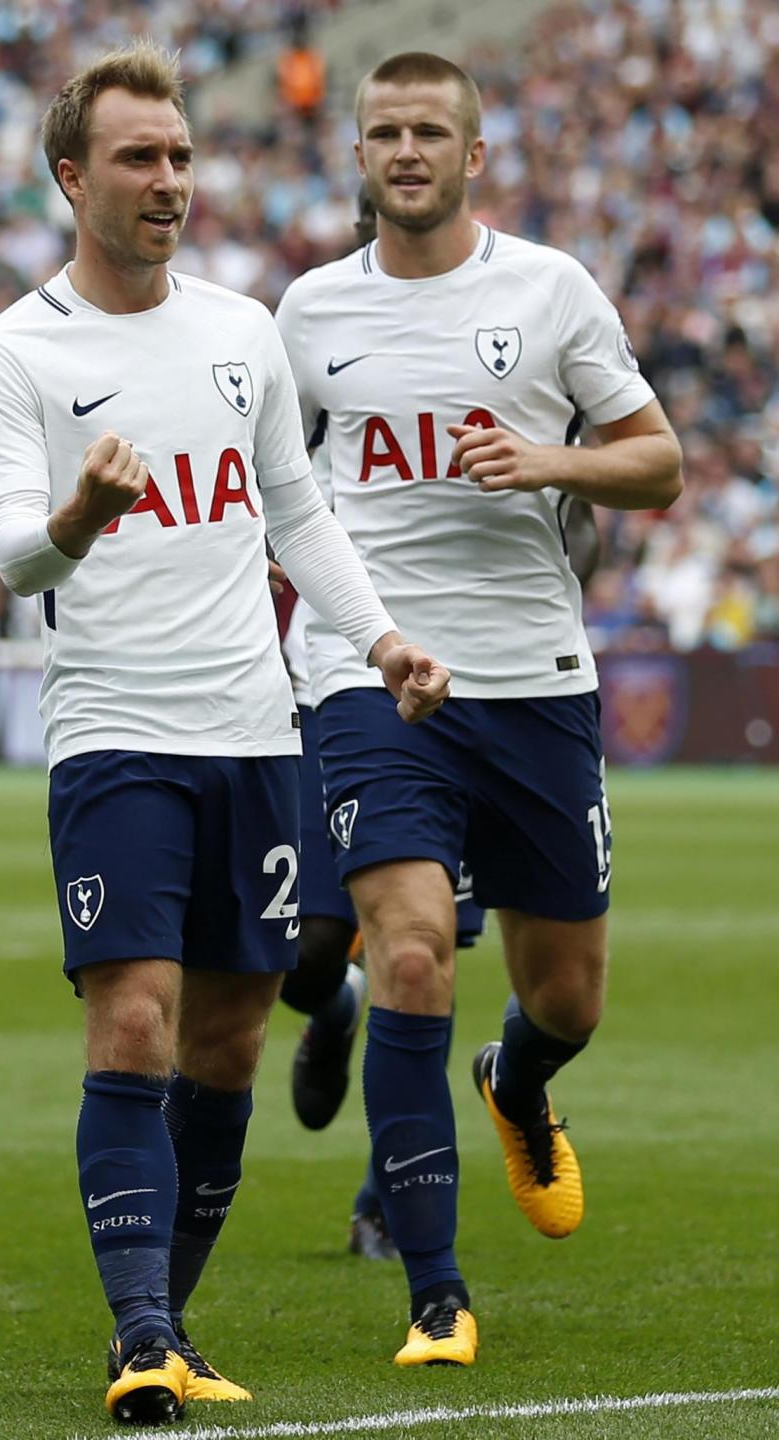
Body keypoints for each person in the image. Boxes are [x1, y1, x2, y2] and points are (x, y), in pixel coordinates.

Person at [0, 40, 450, 1427]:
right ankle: (139, 1338)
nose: (169, 177)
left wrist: (382, 635)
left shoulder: (242, 333)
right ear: (72, 175)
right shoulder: (12, 354)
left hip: (258, 730)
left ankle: (169, 1323)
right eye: (138, 156)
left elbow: (298, 515)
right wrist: (78, 518)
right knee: (133, 1028)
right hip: (114, 735)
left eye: (178, 155)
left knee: (228, 1045)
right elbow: (12, 557)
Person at [275, 50, 682, 1368]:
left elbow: (659, 462)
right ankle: (435, 1295)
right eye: (383, 132)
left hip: (536, 684)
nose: (405, 151)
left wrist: (547, 458)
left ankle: (515, 1085)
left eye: (429, 131)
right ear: (360, 155)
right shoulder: (308, 313)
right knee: (405, 955)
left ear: (475, 153)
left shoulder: (550, 289)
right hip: (375, 676)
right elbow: (281, 501)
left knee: (565, 997)